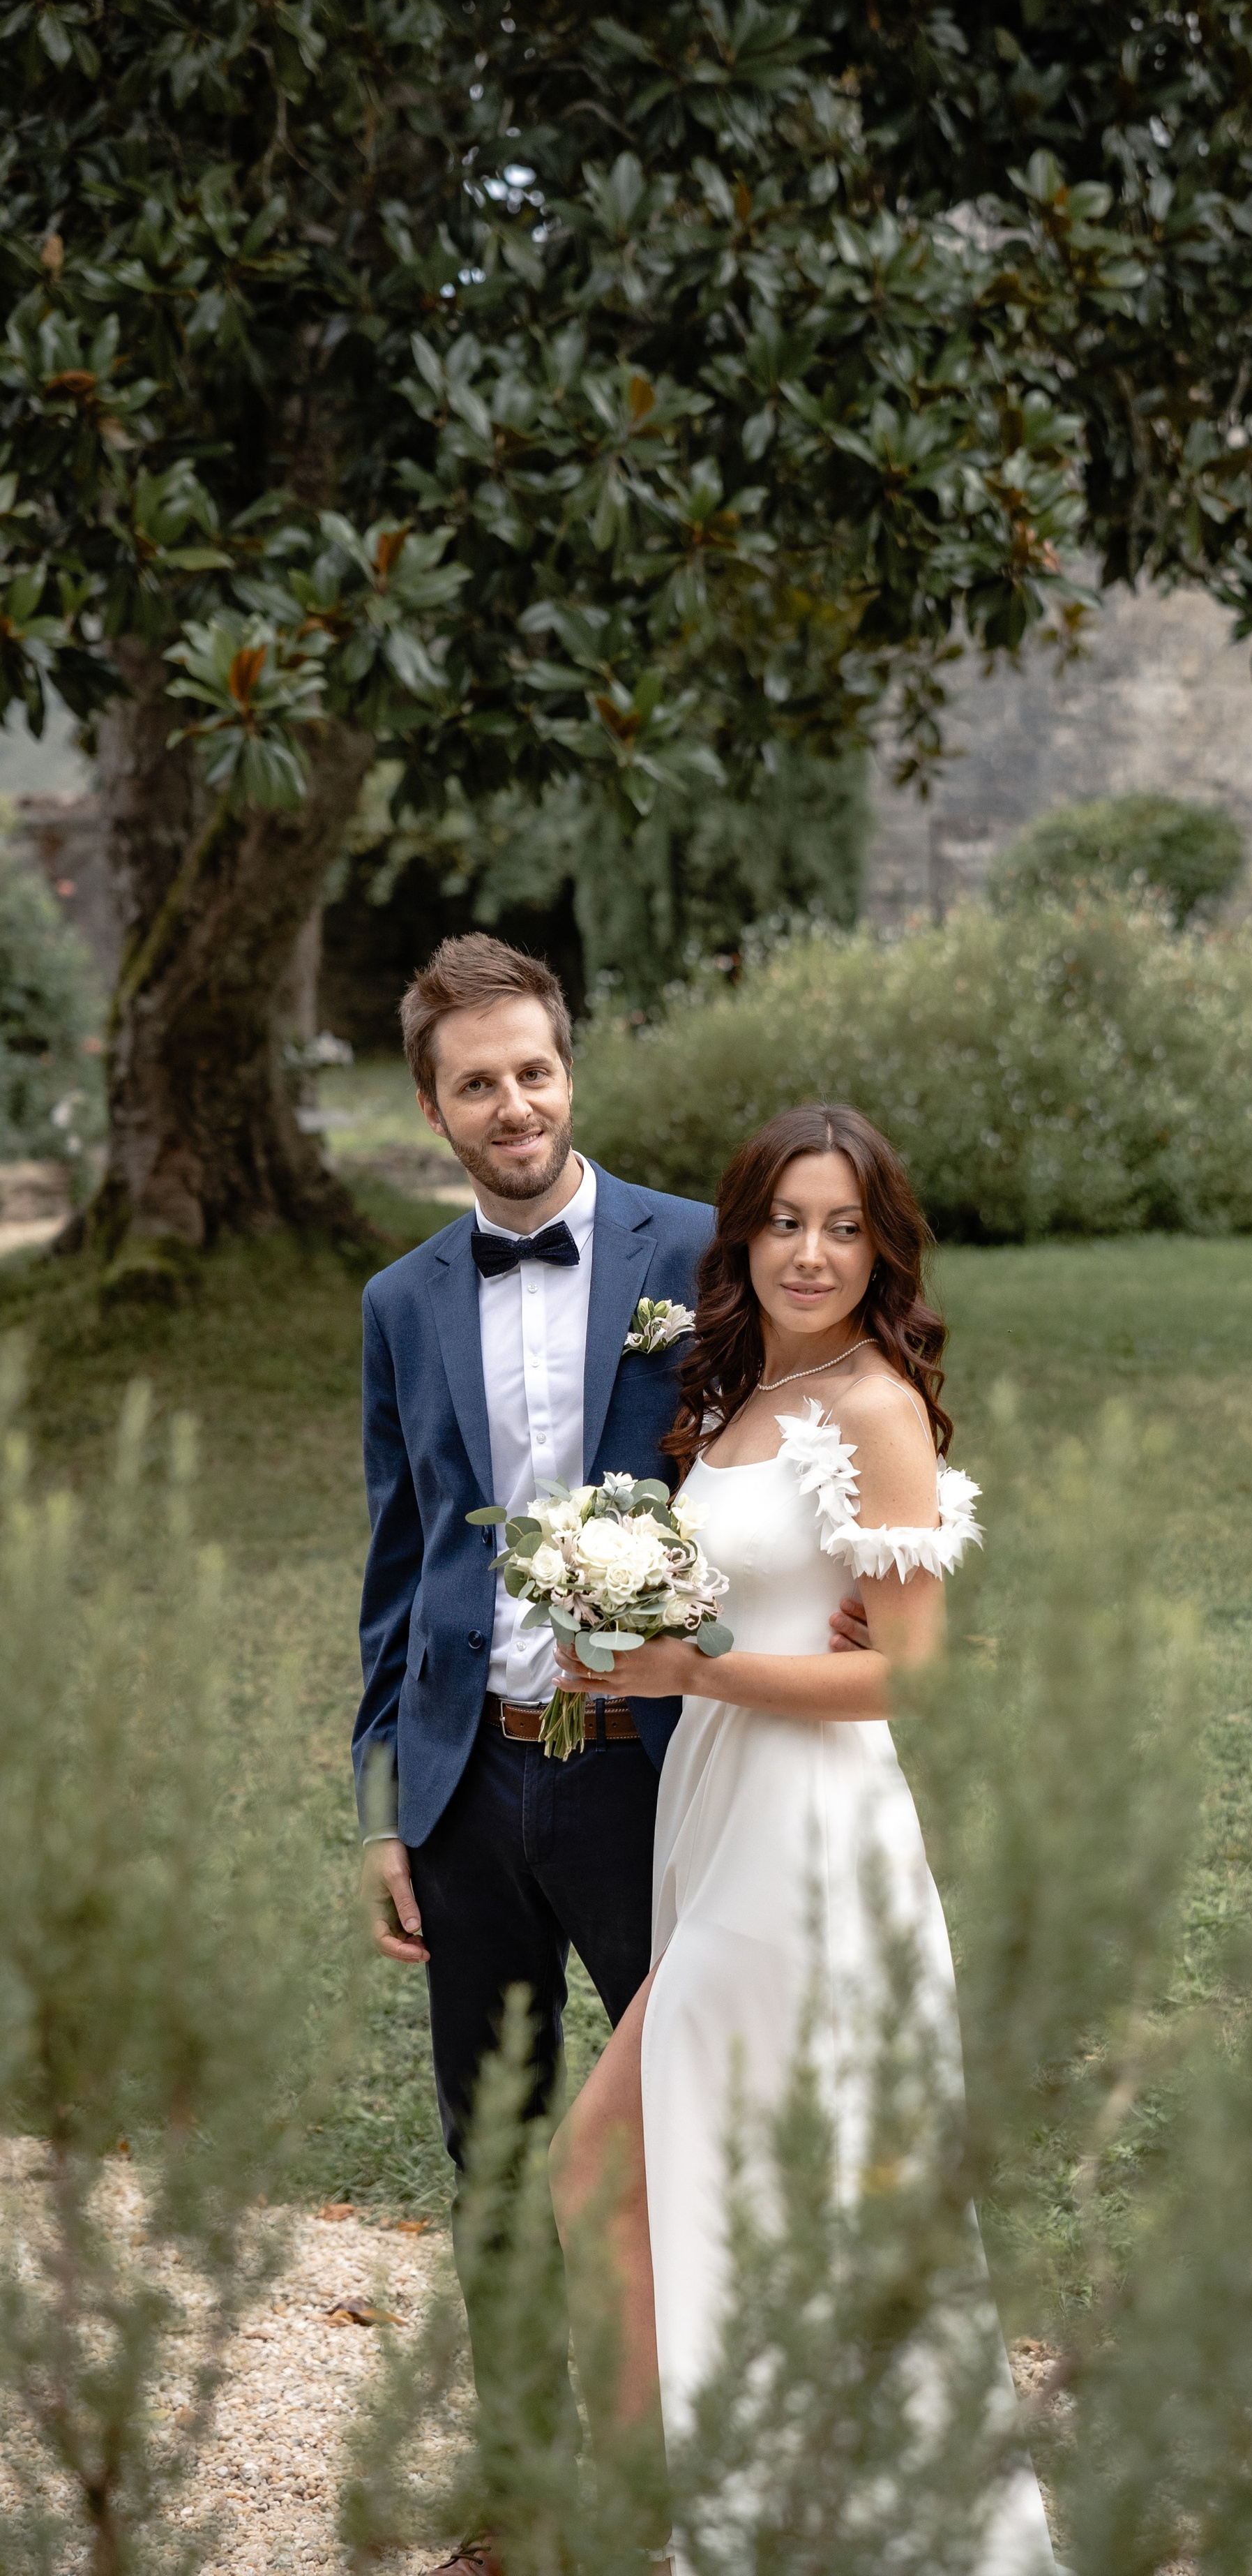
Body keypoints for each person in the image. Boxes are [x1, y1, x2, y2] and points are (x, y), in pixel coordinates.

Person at [352, 938, 872, 2576]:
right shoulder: (399, 1304)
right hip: (464, 1789)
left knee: (687, 2142)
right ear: (432, 1107)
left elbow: (833, 1404)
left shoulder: (699, 1250)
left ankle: (708, 2483)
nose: (514, 1103)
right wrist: (384, 1801)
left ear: (567, 1070)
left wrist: (857, 1580)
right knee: (494, 2161)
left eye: (535, 1071)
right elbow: (393, 1562)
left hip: (657, 1779)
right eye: (477, 1083)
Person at [544, 1102, 1056, 2576]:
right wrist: (620, 1628)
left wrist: (691, 1669)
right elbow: (734, 1598)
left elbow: (905, 1670)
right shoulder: (736, 1392)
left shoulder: (874, 1408)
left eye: (843, 1226)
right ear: (743, 1234)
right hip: (719, 1816)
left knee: (612, 2169)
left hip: (808, 1846)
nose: (812, 1252)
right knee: (679, 2180)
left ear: (880, 1244)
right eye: (785, 1221)